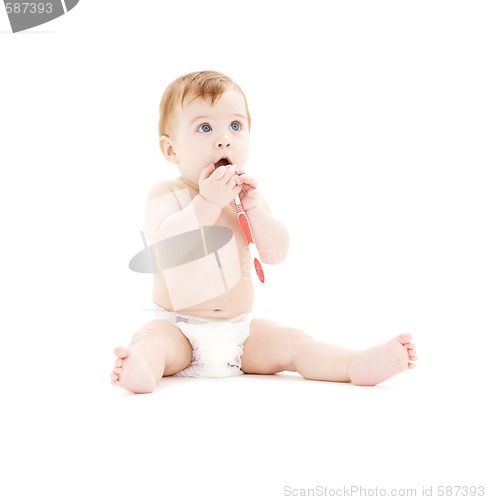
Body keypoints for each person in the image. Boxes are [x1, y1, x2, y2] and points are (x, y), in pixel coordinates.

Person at [111, 70, 417, 393]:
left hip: (240, 334)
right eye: (204, 127)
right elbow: (165, 248)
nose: (223, 139)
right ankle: (142, 369)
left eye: (235, 126)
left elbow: (276, 253)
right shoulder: (166, 193)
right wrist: (205, 204)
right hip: (180, 329)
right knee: (152, 340)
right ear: (171, 150)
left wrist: (255, 211)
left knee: (292, 342)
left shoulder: (244, 199)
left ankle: (354, 364)